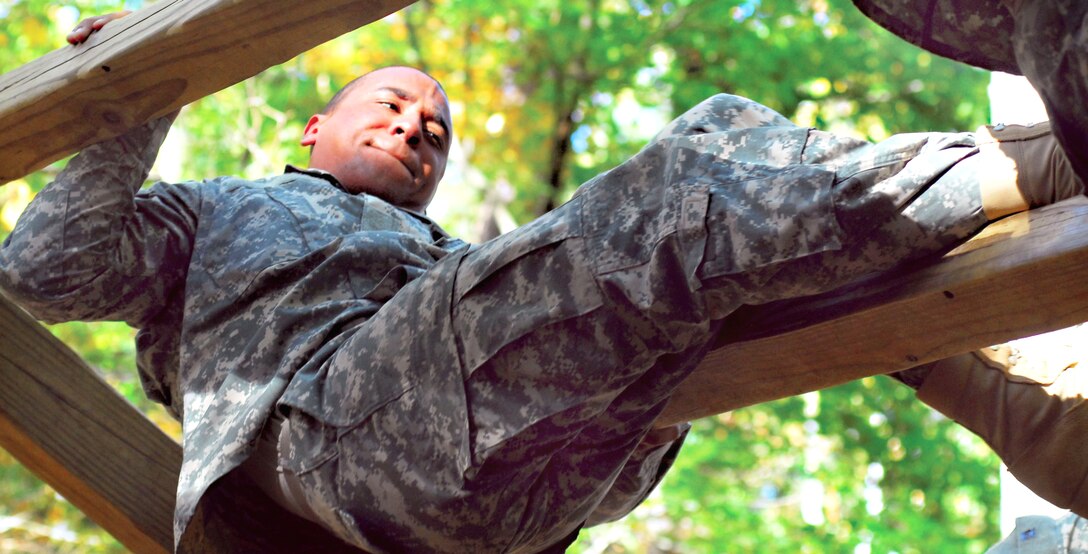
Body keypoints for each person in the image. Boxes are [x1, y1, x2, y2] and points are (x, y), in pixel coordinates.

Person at [1, 6, 1085, 553]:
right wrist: (133, 99)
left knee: (721, 239)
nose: (416, 122)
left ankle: (1007, 402)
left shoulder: (454, 266)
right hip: (340, 436)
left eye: (435, 125)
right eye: (389, 104)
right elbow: (43, 271)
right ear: (312, 124)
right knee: (689, 184)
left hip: (540, 485)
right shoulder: (219, 212)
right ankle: (1049, 156)